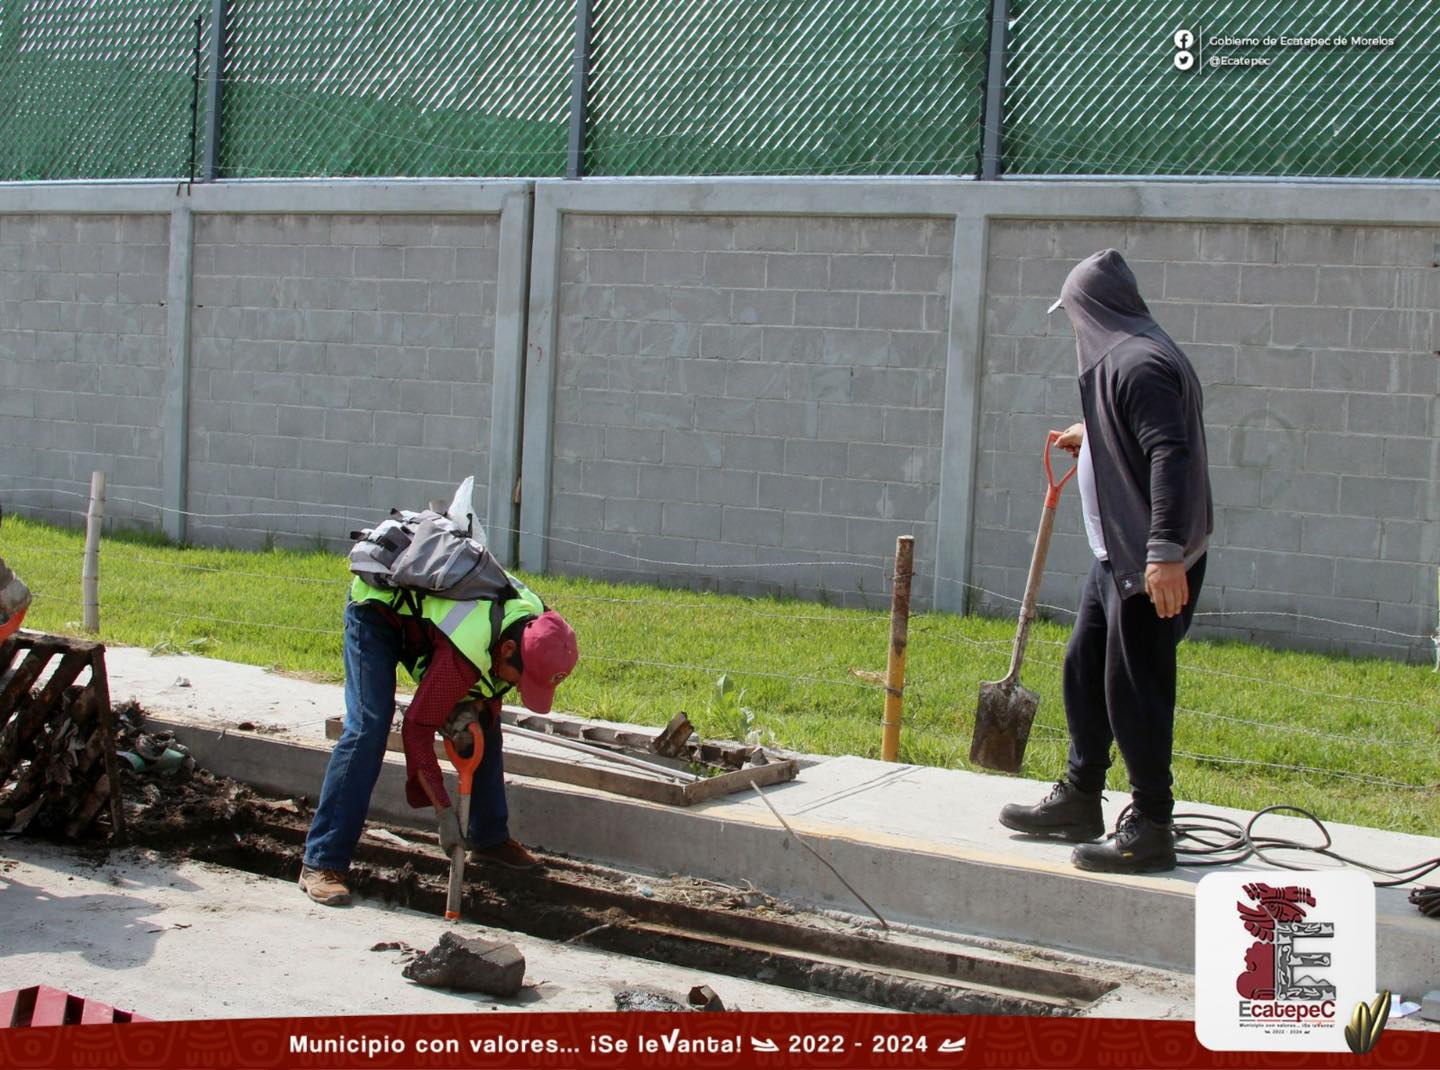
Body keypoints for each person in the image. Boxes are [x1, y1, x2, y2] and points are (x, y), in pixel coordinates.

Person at [998, 249, 1212, 875]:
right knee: (1085, 669)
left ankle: (1151, 825)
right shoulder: (1128, 356)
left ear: (1090, 310)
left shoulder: (1138, 364)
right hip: (1117, 553)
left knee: (1137, 690)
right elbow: (1142, 434)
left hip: (1149, 559)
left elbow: (1169, 454)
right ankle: (1081, 798)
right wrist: (1092, 432)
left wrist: (1165, 552)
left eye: (1071, 313)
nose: (1071, 326)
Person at [299, 565, 579, 906]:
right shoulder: (472, 644)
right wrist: (444, 813)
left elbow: (492, 681)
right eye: (522, 680)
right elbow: (416, 730)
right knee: (369, 727)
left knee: (485, 727)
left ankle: (488, 838)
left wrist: (474, 708)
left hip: (427, 627)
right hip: (378, 612)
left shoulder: (537, 623)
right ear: (507, 649)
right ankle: (322, 861)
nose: (520, 689)